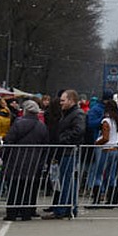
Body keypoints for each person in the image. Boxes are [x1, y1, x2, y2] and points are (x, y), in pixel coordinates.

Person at [2, 100, 48, 221]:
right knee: (28, 188)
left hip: (16, 160)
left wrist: (4, 157)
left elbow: (8, 141)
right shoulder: (42, 126)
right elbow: (45, 145)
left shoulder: (18, 124)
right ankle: (26, 213)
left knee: (14, 188)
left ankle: (12, 213)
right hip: (34, 161)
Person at [45, 89, 85, 219]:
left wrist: (63, 139)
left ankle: (63, 209)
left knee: (67, 181)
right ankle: (68, 208)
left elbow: (79, 130)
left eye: (63, 100)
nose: (60, 103)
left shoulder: (77, 114)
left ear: (71, 101)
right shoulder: (68, 114)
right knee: (66, 181)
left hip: (70, 151)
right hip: (66, 151)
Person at [88, 98, 118, 206]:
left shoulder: (106, 121)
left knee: (99, 174)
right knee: (111, 175)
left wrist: (97, 142)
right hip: (115, 148)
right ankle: (111, 199)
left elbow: (105, 138)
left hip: (106, 149)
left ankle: (96, 199)